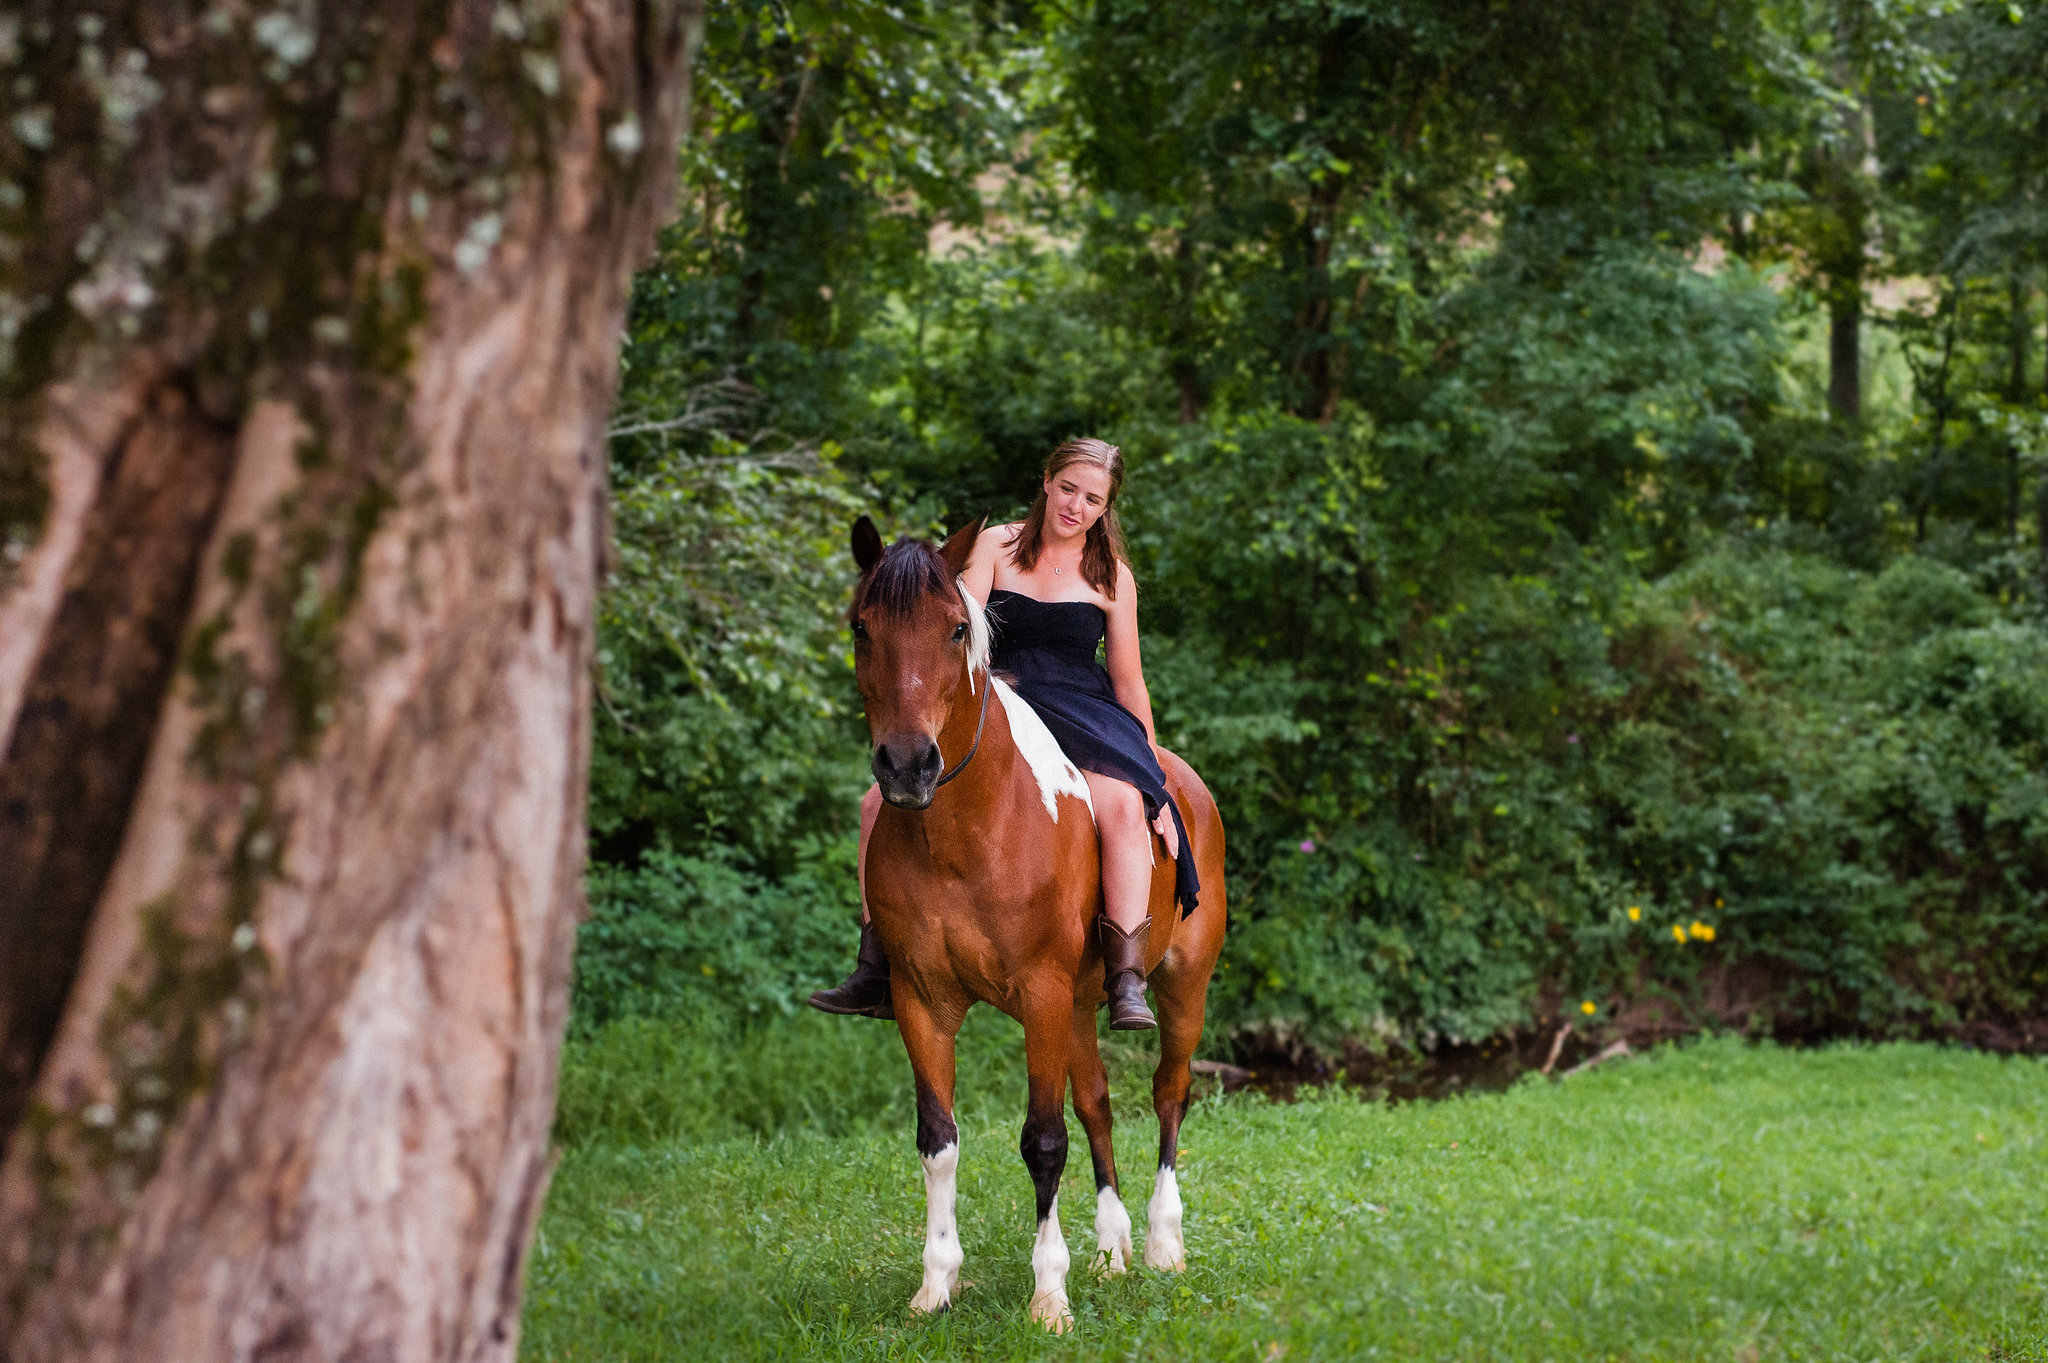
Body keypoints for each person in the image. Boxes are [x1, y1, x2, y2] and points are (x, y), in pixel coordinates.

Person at [810, 437, 1199, 1030]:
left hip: (1083, 711)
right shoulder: (996, 546)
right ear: (1047, 482)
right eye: (1068, 488)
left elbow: (1130, 682)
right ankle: (875, 963)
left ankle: (1125, 978)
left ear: (1106, 508)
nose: (1076, 505)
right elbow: (957, 632)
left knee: (1122, 806)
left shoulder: (1114, 578)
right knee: (874, 803)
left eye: (1093, 498)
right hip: (1004, 700)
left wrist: (1152, 779)